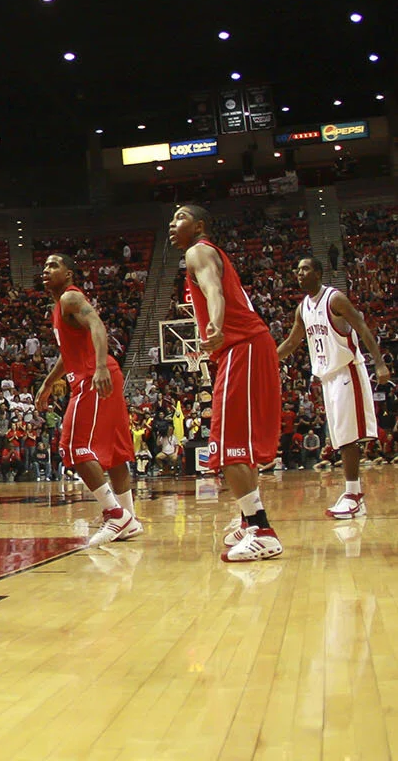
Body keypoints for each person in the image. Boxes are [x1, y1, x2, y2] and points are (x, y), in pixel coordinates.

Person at [169, 204, 283, 562]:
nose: (173, 224)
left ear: (199, 225)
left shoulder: (198, 251)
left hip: (240, 345)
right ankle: (247, 519)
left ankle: (261, 529)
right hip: (249, 345)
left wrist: (215, 324)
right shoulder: (211, 253)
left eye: (180, 218)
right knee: (241, 445)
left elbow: (213, 290)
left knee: (229, 442)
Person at [34, 254, 141, 547]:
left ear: (69, 274)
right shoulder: (60, 306)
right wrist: (48, 382)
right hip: (98, 373)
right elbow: (68, 353)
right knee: (117, 453)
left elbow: (97, 324)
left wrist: (101, 367)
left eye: (53, 266)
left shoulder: (70, 298)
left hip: (94, 377)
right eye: (44, 266)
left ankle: (114, 514)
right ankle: (129, 518)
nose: (46, 270)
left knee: (73, 447)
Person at [276, 256, 391, 519]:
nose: (299, 273)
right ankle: (352, 493)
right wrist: (266, 361)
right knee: (339, 438)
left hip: (347, 369)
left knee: (349, 436)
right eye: (297, 269)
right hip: (327, 377)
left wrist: (379, 363)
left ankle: (354, 494)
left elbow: (361, 326)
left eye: (305, 269)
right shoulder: (303, 308)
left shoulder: (335, 298)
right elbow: (293, 342)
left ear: (318, 273)